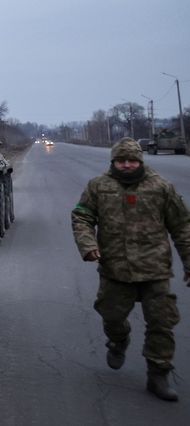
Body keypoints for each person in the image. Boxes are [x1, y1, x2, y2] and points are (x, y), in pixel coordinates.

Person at [72, 137, 190, 401]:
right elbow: (82, 216)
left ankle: (158, 373)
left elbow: (183, 227)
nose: (126, 165)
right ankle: (118, 340)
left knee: (161, 322)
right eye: (121, 160)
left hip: (155, 268)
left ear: (140, 161)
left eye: (132, 160)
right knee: (111, 317)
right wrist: (88, 245)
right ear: (113, 161)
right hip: (115, 268)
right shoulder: (98, 186)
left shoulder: (161, 187)